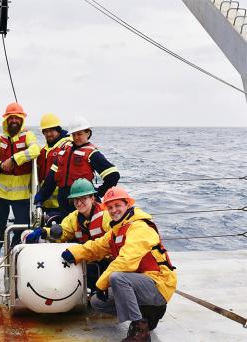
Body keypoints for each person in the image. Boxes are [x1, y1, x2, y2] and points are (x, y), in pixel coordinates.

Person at [61, 186, 177, 341]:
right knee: (97, 302)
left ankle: (140, 330)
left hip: (158, 284)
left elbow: (126, 262)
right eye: (110, 207)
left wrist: (101, 284)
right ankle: (144, 314)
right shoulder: (117, 230)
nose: (114, 210)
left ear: (127, 205)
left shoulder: (139, 228)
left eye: (117, 206)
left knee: (117, 277)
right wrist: (75, 253)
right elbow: (97, 246)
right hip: (139, 283)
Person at [0, 102, 40, 275]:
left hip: (21, 194)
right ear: (6, 120)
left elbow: (35, 150)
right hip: (0, 194)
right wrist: (0, 166)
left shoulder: (28, 136)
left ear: (22, 120)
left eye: (17, 117)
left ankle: (14, 260)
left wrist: (15, 159)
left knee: (22, 229)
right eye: (11, 118)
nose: (13, 120)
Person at [24, 178, 111, 292]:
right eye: (75, 200)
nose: (79, 203)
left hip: (107, 263)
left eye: (83, 199)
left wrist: (79, 252)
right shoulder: (74, 217)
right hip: (87, 259)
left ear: (92, 198)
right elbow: (63, 231)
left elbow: (109, 242)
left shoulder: (106, 215)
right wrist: (44, 232)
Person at [35, 116, 120, 218]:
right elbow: (51, 180)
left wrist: (97, 193)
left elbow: (113, 175)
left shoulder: (92, 153)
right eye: (74, 134)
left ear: (88, 133)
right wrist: (41, 196)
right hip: (64, 205)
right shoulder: (63, 152)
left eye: (79, 134)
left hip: (83, 205)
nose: (76, 137)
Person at [36, 113, 71, 222]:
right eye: (45, 131)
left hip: (63, 203)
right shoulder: (43, 150)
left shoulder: (67, 145)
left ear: (58, 130)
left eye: (51, 130)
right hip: (45, 203)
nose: (48, 134)